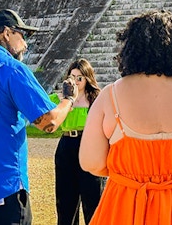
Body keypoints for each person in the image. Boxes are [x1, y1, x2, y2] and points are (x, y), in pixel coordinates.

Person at [79, 9, 172, 225]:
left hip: (127, 203)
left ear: (131, 49)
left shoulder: (109, 96)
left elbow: (90, 162)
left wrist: (131, 173)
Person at [0, 9, 78, 225]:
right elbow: (49, 122)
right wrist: (68, 100)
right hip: (1, 184)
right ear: (7, 33)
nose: (26, 44)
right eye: (24, 35)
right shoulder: (10, 68)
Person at [50, 59, 103, 225]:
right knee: (66, 201)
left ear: (87, 79)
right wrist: (65, 99)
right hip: (67, 145)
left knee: (93, 198)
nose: (75, 81)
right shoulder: (59, 99)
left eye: (79, 78)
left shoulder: (97, 99)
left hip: (89, 145)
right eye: (72, 77)